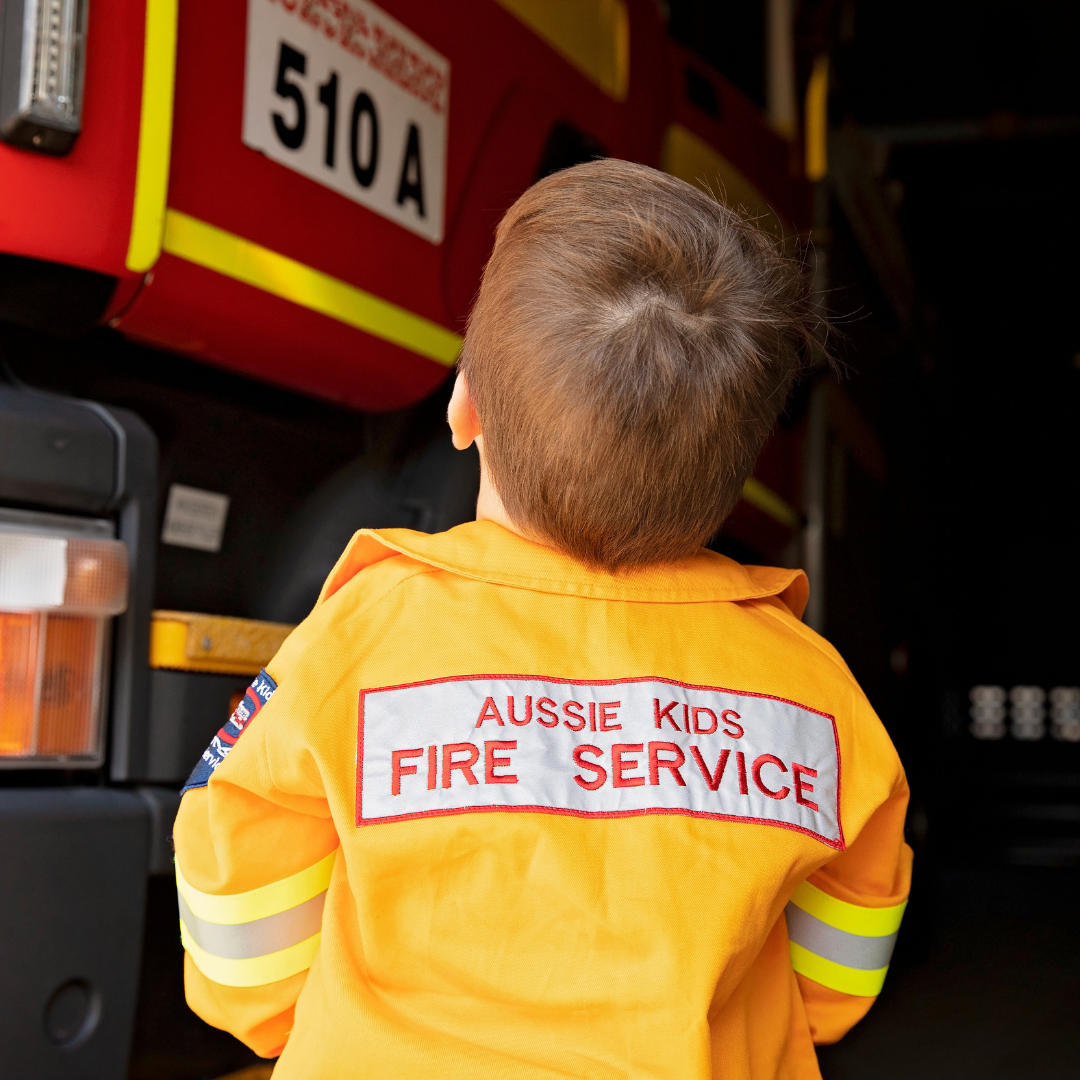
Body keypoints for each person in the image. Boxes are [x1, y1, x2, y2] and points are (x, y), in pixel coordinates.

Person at [172, 159, 911, 1080]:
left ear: (464, 403)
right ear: (736, 471)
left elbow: (242, 951)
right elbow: (837, 978)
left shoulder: (359, 644)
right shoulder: (812, 694)